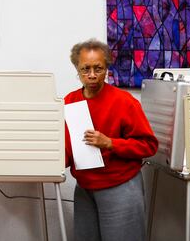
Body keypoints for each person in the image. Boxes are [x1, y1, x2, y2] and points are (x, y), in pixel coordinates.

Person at [64, 39, 158, 241]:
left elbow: (149, 145)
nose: (91, 75)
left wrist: (111, 143)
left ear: (107, 68)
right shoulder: (69, 101)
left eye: (98, 68)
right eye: (85, 69)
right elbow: (66, 148)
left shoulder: (124, 102)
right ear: (77, 69)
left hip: (120, 186)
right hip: (85, 188)